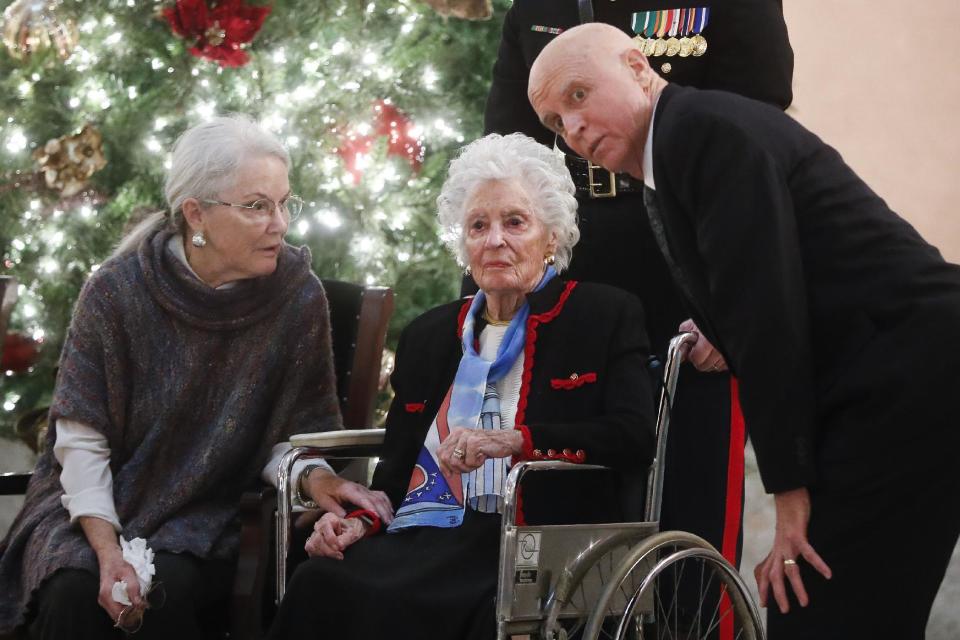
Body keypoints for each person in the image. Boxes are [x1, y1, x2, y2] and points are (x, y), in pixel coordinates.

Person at [527, 23, 960, 639]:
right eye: (553, 120)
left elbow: (766, 314)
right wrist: (721, 332)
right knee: (838, 609)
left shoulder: (701, 133)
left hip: (908, 371)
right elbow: (773, 276)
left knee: (822, 608)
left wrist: (789, 494)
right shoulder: (682, 139)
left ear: (636, 65)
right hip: (899, 369)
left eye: (577, 96)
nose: (570, 129)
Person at [0, 115, 392, 640]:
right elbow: (80, 442)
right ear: (196, 214)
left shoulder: (297, 297)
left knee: (168, 591)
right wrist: (108, 548)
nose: (280, 224)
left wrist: (319, 479)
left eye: (284, 203)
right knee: (72, 590)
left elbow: (292, 439)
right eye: (257, 206)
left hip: (208, 511)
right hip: (89, 505)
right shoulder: (117, 292)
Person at [267, 132, 656, 640]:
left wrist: (515, 440)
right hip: (428, 527)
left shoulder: (602, 315)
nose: (495, 239)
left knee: (465, 605)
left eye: (515, 222)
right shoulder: (431, 333)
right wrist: (360, 520)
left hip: (533, 539)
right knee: (322, 578)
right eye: (478, 225)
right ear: (462, 240)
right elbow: (401, 463)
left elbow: (631, 435)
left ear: (551, 236)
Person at [479, 0, 796, 569]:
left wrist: (729, 305)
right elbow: (506, 152)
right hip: (578, 258)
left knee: (694, 491)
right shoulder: (534, 6)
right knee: (573, 489)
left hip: (691, 244)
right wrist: (489, 304)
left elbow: (754, 127)